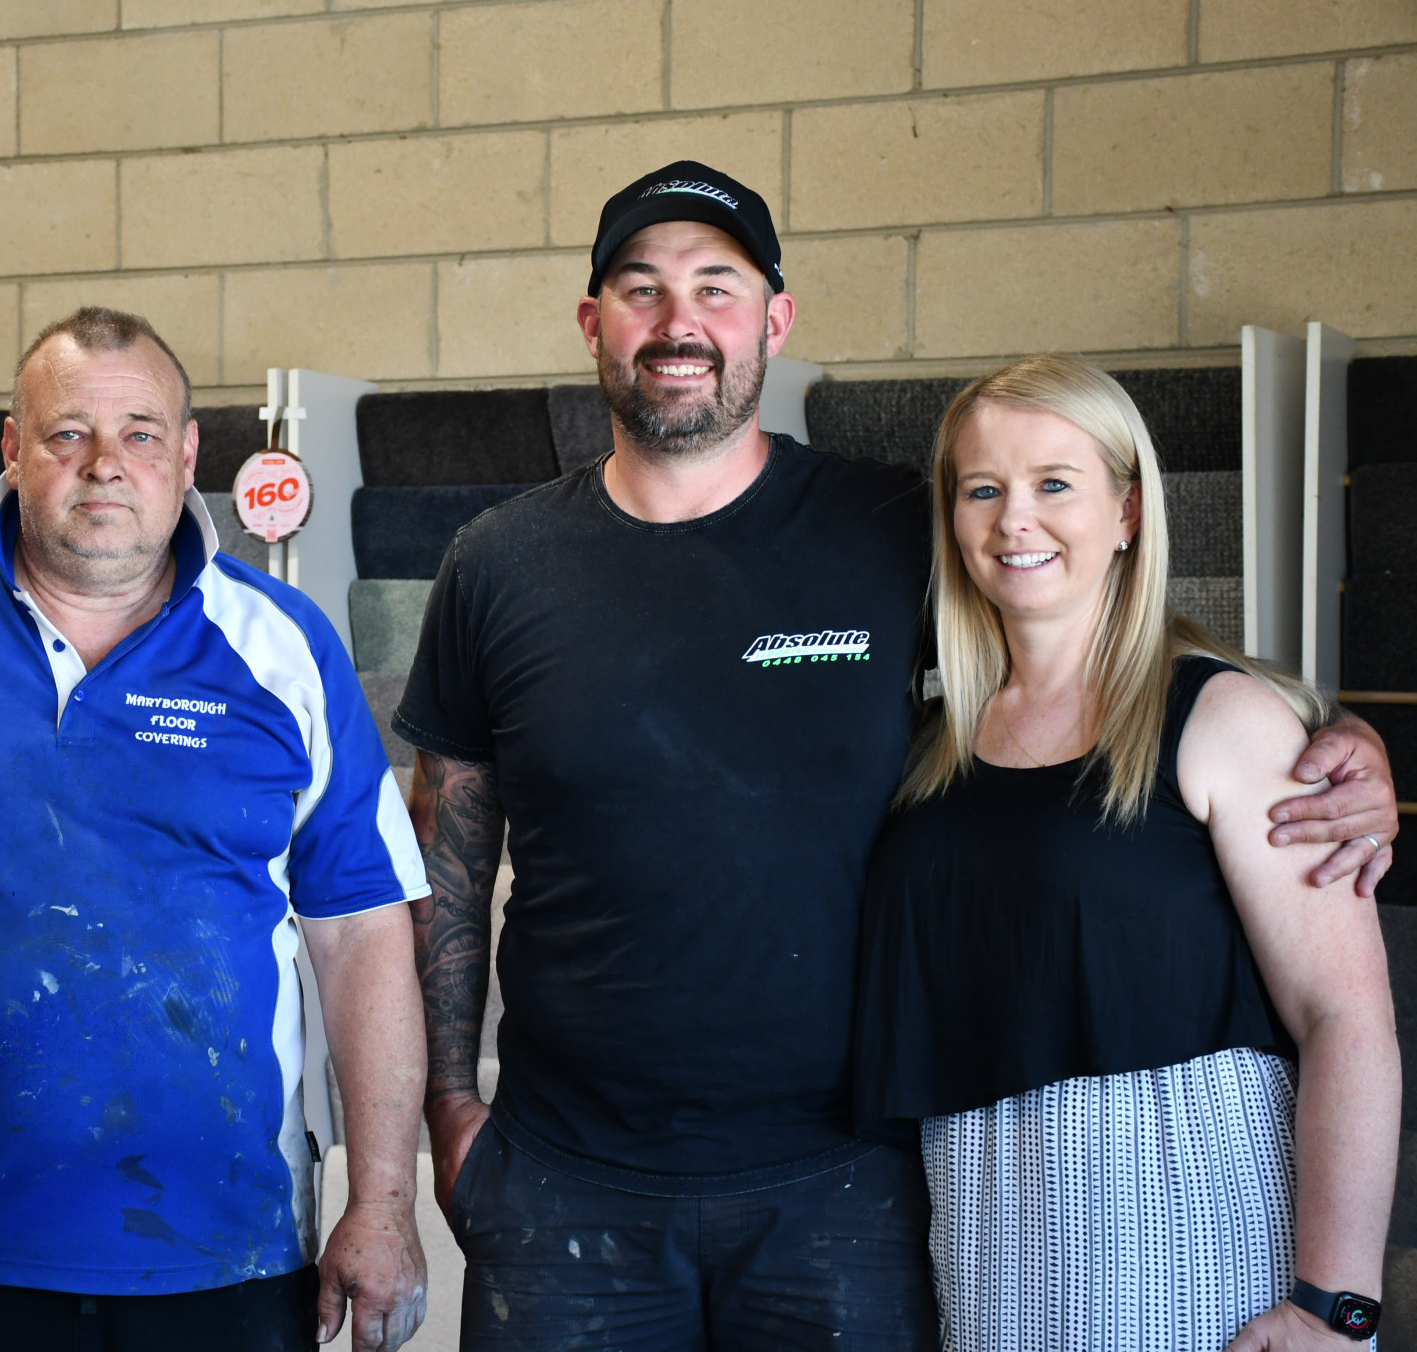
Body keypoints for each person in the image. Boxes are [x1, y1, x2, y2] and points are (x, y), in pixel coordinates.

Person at [394, 161, 1402, 1348]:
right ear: (593, 321)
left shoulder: (886, 528)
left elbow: (1080, 634)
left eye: (716, 289)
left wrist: (1333, 735)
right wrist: (449, 1109)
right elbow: (445, 848)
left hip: (848, 1178)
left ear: (773, 320)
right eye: (641, 288)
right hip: (568, 1179)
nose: (679, 324)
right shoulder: (498, 560)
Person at [0, 307, 432, 1352]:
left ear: (190, 455)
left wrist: (381, 1203)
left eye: (141, 434)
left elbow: (361, 933)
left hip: (230, 1247)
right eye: (68, 433)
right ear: (13, 450)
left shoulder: (278, 644)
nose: (104, 465)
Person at [854, 354, 1398, 1350]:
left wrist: (1336, 1304)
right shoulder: (923, 744)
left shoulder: (1221, 717)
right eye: (982, 489)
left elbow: (1345, 1020)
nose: (1013, 519)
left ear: (1126, 513)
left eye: (1052, 483)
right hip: (983, 1219)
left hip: (1182, 1210)